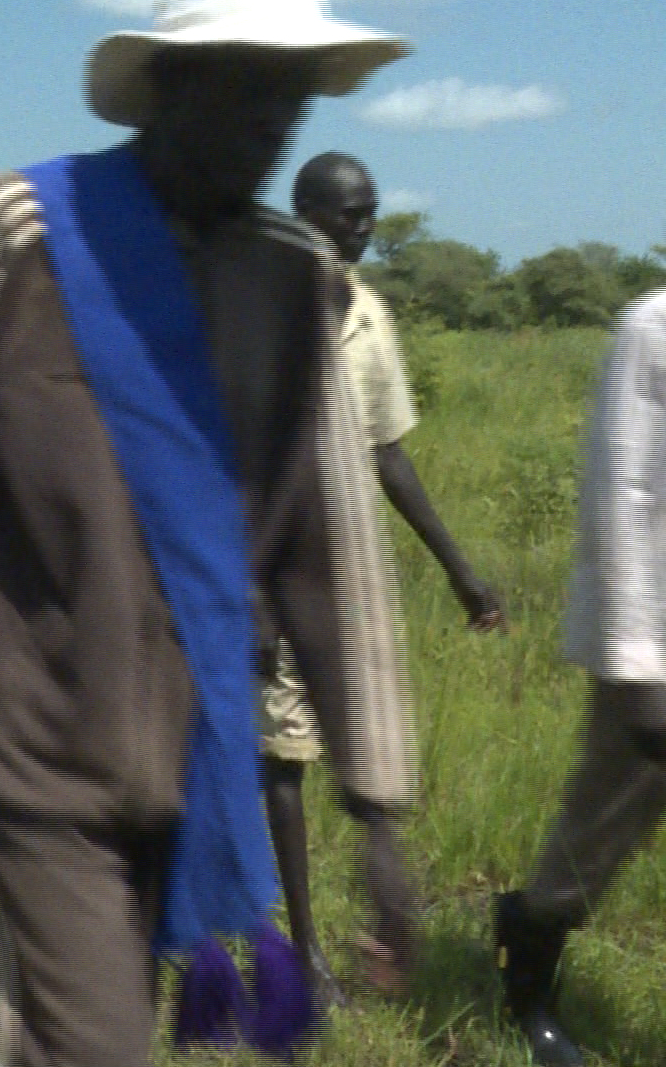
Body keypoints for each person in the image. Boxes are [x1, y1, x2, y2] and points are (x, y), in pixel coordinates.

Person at [0, 0, 414, 1063]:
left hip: (206, 749)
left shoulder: (293, 275)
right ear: (168, 84)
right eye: (247, 87)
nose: (274, 123)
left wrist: (380, 806)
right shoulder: (20, 235)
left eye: (293, 98)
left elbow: (332, 553)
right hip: (40, 748)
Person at [261, 150, 506, 1003]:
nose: (360, 229)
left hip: (350, 571)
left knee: (370, 743)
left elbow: (389, 457)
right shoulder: (259, 311)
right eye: (345, 215)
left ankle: (383, 896)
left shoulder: (368, 314)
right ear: (304, 215)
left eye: (369, 213)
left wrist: (462, 574)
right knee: (283, 756)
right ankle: (305, 947)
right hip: (272, 571)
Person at [492, 287, 666, 1067]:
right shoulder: (651, 328)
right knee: (606, 818)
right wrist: (639, 657)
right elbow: (621, 488)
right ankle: (527, 977)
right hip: (658, 631)